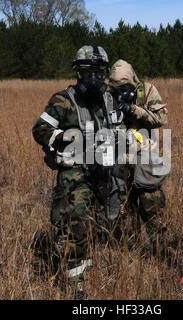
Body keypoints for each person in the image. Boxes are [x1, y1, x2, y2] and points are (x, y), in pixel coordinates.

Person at [32, 45, 126, 298]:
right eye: (88, 73)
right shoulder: (63, 99)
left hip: (104, 170)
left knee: (103, 219)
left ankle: (87, 261)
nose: (94, 79)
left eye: (99, 73)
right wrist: (67, 138)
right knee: (74, 225)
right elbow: (39, 130)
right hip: (75, 172)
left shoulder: (109, 98)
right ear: (77, 73)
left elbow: (118, 126)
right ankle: (76, 285)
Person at [108, 59, 169, 256]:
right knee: (124, 210)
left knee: (151, 206)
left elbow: (161, 119)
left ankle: (160, 252)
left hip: (145, 159)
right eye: (116, 88)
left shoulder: (148, 91)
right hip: (121, 159)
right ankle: (130, 254)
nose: (120, 92)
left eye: (124, 87)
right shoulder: (108, 97)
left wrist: (133, 109)